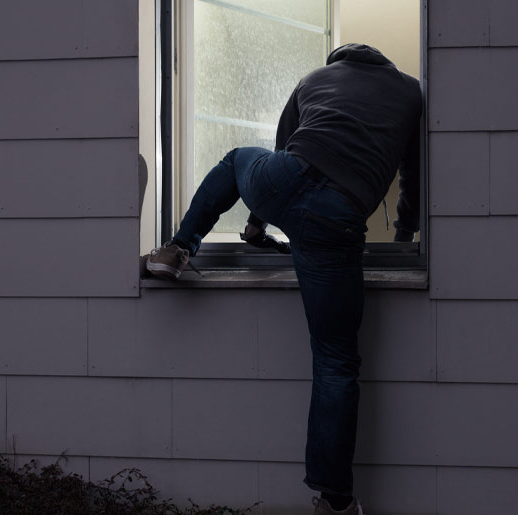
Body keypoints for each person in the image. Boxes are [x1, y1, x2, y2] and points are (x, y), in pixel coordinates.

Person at [146, 43, 422, 515]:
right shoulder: (412, 93)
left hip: (285, 180)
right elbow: (412, 176)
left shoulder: (313, 79)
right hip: (339, 215)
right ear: (383, 65)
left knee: (237, 158)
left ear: (340, 61)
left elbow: (282, 151)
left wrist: (257, 225)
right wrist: (402, 237)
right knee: (336, 362)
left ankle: (177, 249)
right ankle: (335, 502)